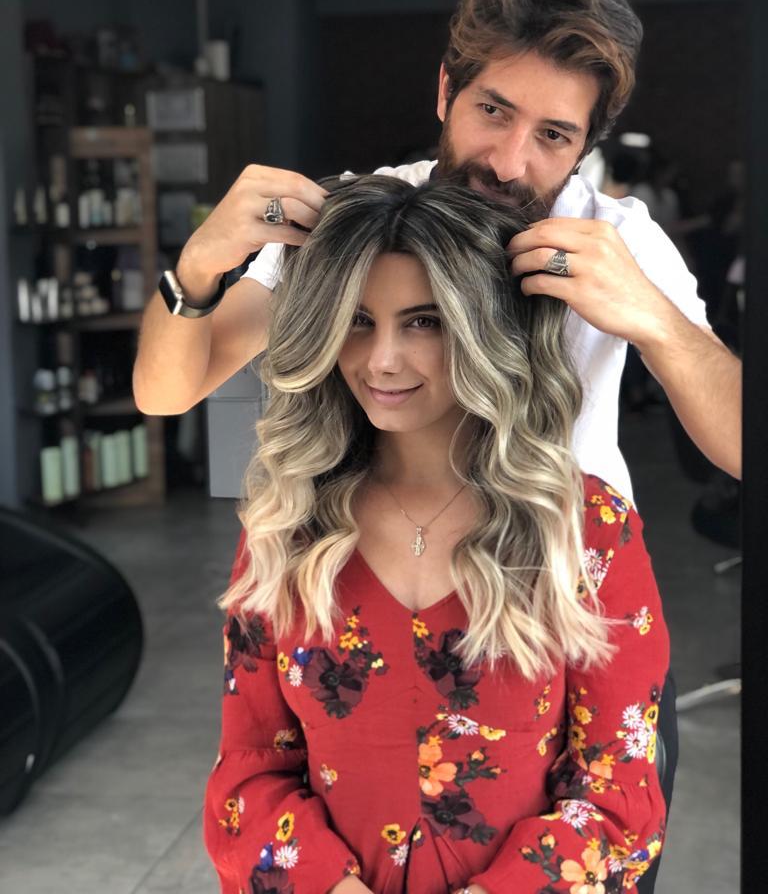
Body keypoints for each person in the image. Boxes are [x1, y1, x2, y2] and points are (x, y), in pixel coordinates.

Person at [203, 176, 669, 894]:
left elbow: (617, 793)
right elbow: (249, 770)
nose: (382, 359)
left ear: (484, 330)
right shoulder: (286, 524)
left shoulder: (587, 530)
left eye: (424, 321)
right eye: (358, 320)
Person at [133, 0, 741, 491]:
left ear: (584, 149)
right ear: (447, 91)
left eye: (553, 136)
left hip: (570, 557)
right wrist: (197, 267)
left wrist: (657, 321)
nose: (507, 163)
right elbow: (164, 394)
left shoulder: (621, 240)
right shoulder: (357, 216)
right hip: (385, 555)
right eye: (494, 112)